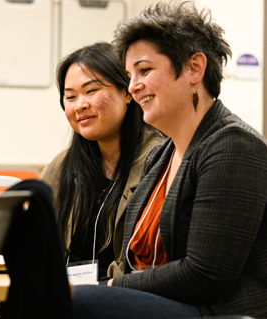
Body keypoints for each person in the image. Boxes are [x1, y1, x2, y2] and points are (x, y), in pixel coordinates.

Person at [72, 2, 267, 318]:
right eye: (129, 75)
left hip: (212, 311)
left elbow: (204, 275)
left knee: (72, 302)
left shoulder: (233, 145)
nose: (133, 86)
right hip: (167, 304)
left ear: (194, 68)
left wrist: (109, 288)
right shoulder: (160, 157)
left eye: (145, 71)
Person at [40, 42, 164, 282]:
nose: (80, 105)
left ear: (127, 92)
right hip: (63, 297)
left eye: (91, 91)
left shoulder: (158, 160)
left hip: (120, 296)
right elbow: (36, 247)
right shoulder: (62, 167)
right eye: (70, 97)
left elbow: (148, 263)